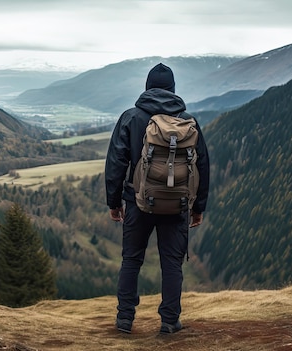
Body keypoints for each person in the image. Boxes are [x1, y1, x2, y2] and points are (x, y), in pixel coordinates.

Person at [105, 63, 210, 335]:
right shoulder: (188, 122)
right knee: (171, 264)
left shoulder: (130, 117)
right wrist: (198, 207)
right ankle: (169, 321)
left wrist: (114, 203)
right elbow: (203, 166)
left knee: (131, 260)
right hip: (177, 206)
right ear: (173, 89)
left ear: (147, 87)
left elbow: (116, 163)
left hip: (138, 201)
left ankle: (125, 319)